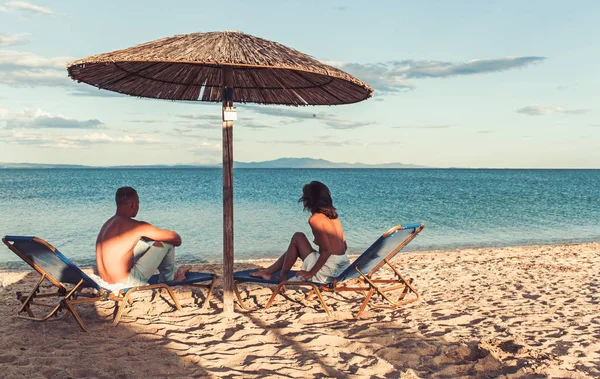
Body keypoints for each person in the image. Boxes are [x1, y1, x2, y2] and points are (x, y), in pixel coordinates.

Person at [250, 181, 350, 283]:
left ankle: (281, 275)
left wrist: (310, 273)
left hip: (328, 272)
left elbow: (327, 251)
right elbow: (344, 246)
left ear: (308, 200)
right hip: (342, 268)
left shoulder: (316, 219)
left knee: (298, 237)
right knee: (296, 243)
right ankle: (269, 272)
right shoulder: (333, 217)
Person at [96, 187, 190, 287]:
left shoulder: (107, 225)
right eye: (138, 203)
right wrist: (156, 237)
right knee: (166, 243)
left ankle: (175, 270)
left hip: (106, 282)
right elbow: (176, 239)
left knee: (139, 242)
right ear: (133, 204)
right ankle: (169, 279)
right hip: (128, 283)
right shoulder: (136, 226)